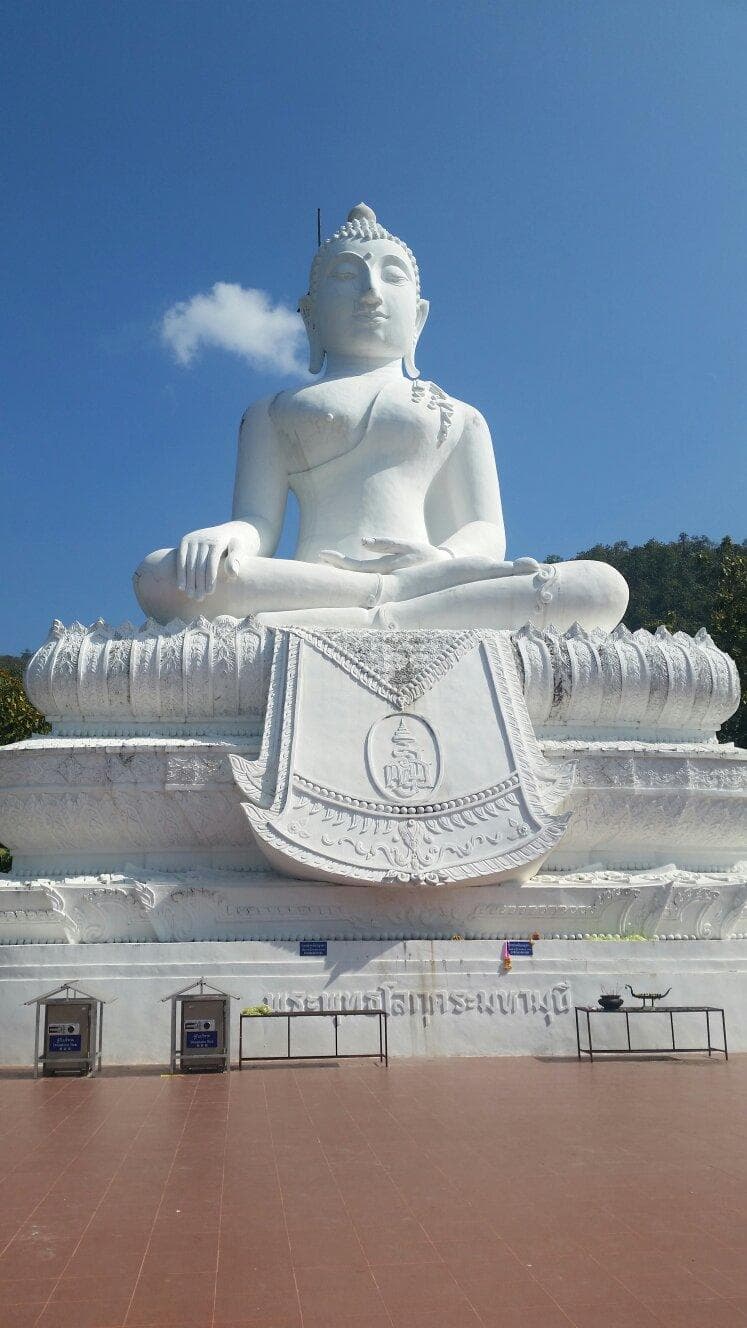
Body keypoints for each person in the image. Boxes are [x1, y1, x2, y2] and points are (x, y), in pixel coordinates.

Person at [134, 204, 628, 632]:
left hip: (429, 577)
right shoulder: (272, 411)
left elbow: (484, 529)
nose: (370, 293)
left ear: (418, 316)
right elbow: (259, 522)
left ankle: (362, 610)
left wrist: (442, 562)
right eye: (346, 277)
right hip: (320, 580)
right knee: (159, 576)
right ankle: (384, 603)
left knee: (603, 587)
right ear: (311, 316)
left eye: (392, 276)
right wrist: (227, 537)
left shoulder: (459, 415)